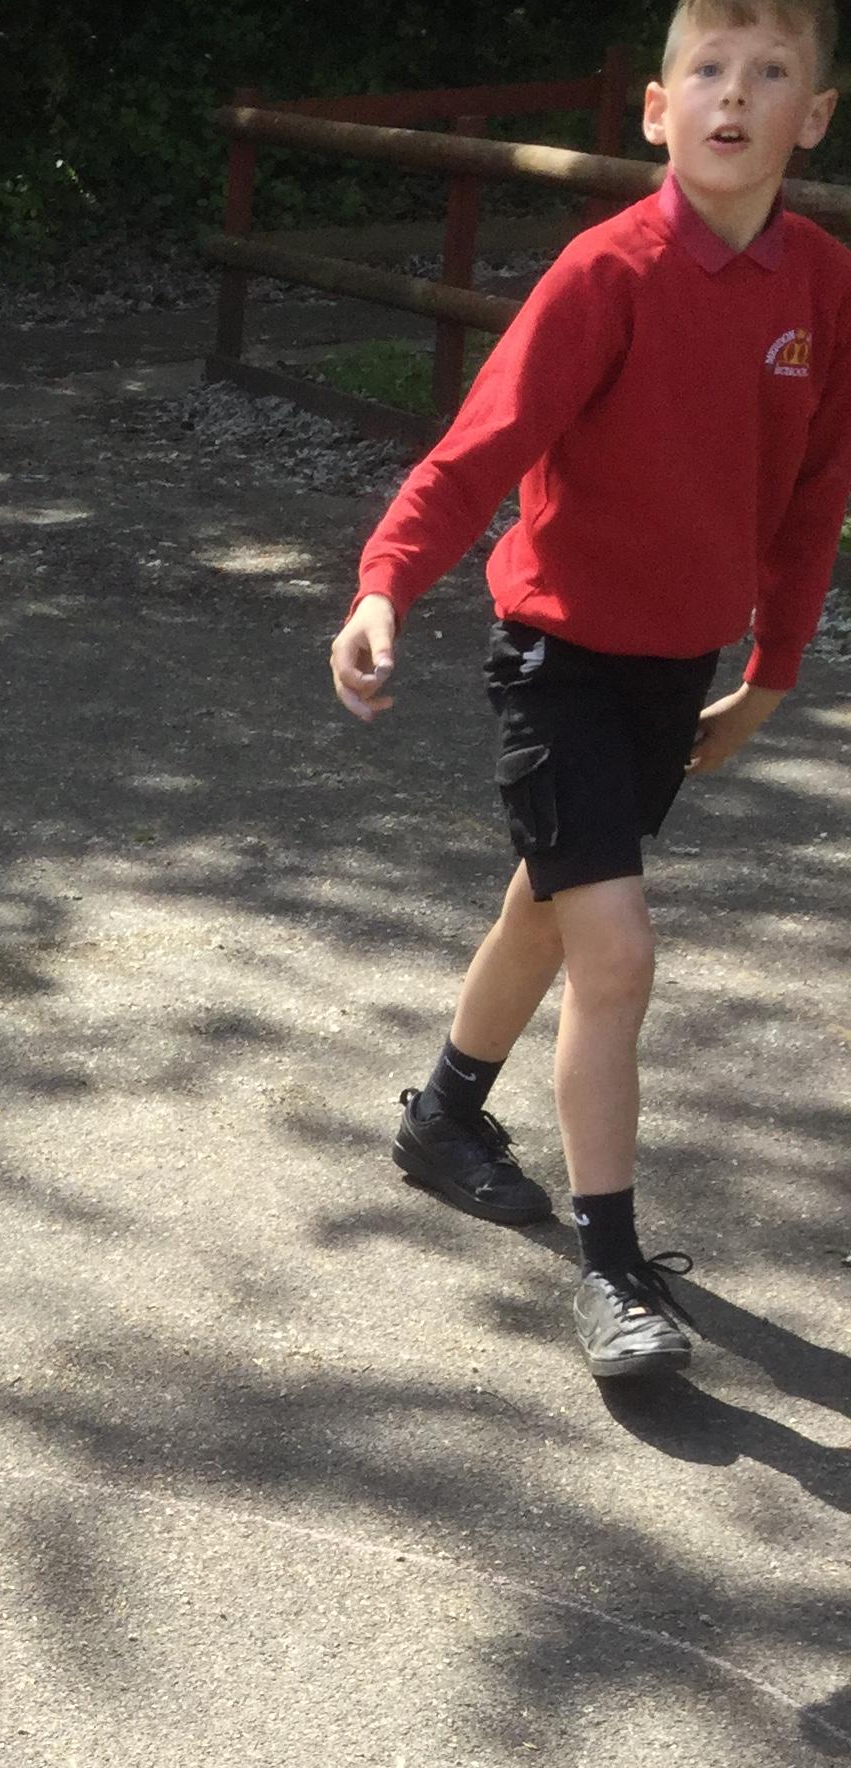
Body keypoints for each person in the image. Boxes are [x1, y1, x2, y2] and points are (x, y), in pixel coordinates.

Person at [331, 0, 851, 1380]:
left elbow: (815, 501)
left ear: (815, 116)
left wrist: (772, 673)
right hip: (557, 659)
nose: (735, 94)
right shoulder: (607, 271)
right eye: (708, 68)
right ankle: (613, 1273)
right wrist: (385, 584)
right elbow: (479, 447)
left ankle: (445, 1117)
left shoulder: (823, 288)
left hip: (678, 671)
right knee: (615, 950)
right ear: (658, 110)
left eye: (772, 72)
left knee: (552, 902)